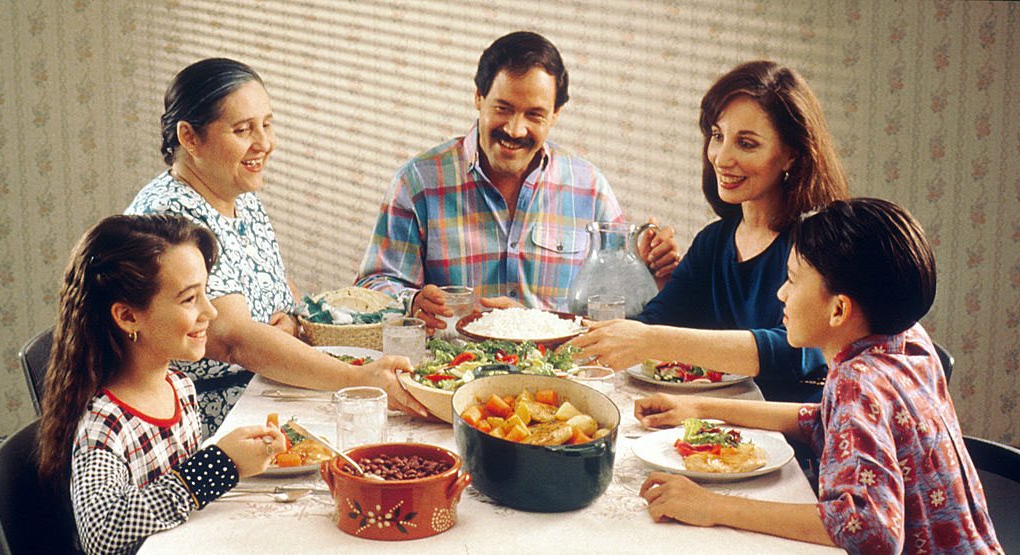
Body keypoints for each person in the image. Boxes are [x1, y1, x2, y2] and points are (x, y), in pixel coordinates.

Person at [635, 199, 1002, 553]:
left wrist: (710, 506)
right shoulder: (907, 339)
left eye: (792, 280)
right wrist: (699, 406)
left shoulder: (857, 382)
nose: (781, 293)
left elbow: (868, 529)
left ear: (839, 309)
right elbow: (826, 419)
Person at [126, 58, 425, 435]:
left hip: (265, 392)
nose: (265, 143)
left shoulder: (238, 194)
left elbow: (280, 292)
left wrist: (294, 322)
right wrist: (358, 377)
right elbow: (234, 340)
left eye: (267, 124)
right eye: (243, 129)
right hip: (204, 422)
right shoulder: (170, 219)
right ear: (189, 138)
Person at [354, 31, 680, 332]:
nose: (514, 129)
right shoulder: (418, 183)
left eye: (534, 115)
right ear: (479, 98)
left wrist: (651, 275)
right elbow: (373, 287)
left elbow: (617, 309)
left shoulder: (589, 187)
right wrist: (411, 303)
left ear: (555, 115)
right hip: (450, 375)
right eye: (503, 108)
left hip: (559, 379)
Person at [571, 60, 849, 402]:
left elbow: (796, 349)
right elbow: (654, 321)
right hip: (715, 430)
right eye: (717, 136)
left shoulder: (818, 246)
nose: (721, 157)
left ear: (791, 155)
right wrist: (540, 327)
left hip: (797, 440)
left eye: (746, 143)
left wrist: (653, 339)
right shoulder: (714, 242)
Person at [36, 215, 289, 554]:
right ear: (127, 316)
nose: (211, 312)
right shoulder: (105, 424)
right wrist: (219, 465)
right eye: (189, 299)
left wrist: (236, 460)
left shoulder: (179, 387)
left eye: (206, 293)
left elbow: (181, 501)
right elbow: (101, 531)